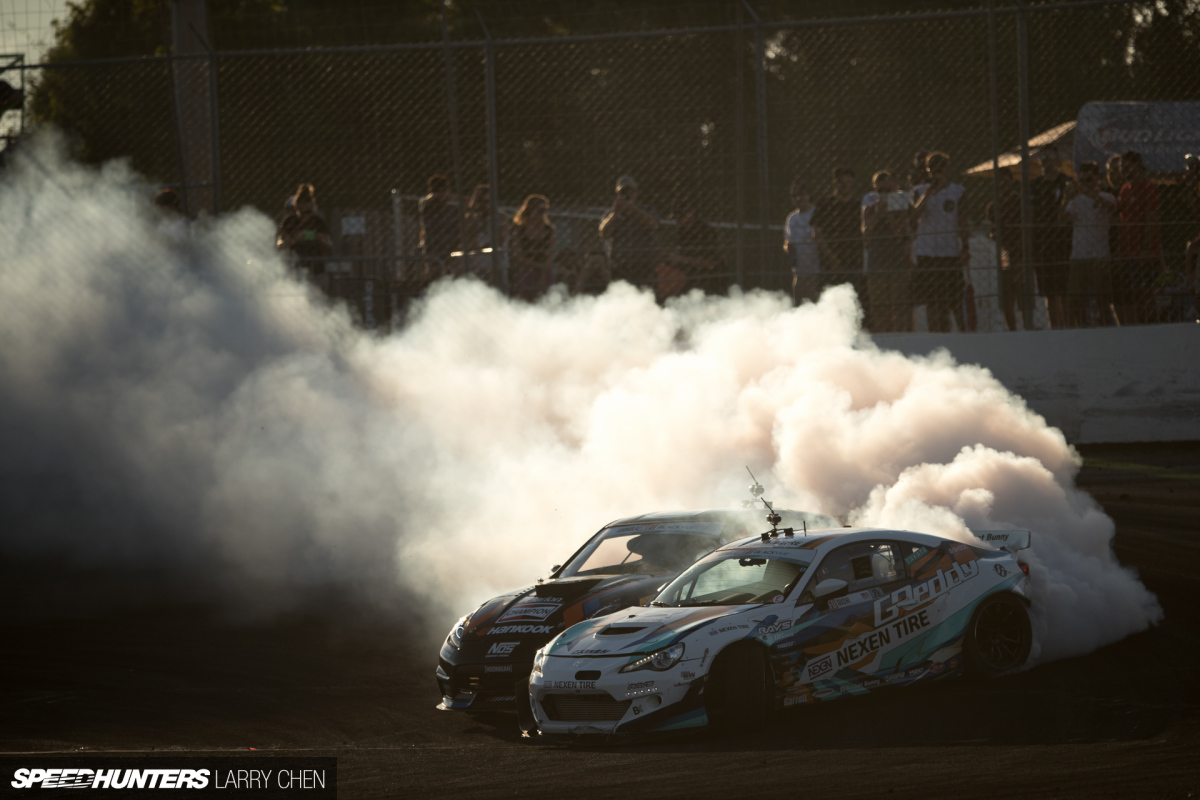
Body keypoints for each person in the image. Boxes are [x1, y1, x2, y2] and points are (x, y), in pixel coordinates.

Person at [911, 152, 969, 332]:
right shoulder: (919, 191)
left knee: (955, 300)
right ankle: (936, 336)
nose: (937, 173)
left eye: (940, 168)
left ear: (946, 169)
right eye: (933, 169)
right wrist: (927, 195)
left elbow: (963, 222)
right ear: (928, 171)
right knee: (932, 302)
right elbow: (913, 218)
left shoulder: (958, 191)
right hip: (927, 253)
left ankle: (963, 334)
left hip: (950, 253)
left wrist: (965, 247)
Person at [1061, 161, 1117, 327]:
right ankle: (1078, 329)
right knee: (1074, 300)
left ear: (1097, 179)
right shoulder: (1076, 202)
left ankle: (1109, 328)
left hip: (1099, 256)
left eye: (1089, 179)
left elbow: (1112, 211)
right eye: (1083, 180)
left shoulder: (1107, 197)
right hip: (1079, 256)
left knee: (1102, 299)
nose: (1086, 183)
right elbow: (1062, 221)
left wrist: (1089, 193)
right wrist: (1066, 198)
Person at [1115, 150, 1162, 325]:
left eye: (1128, 166)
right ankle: (1135, 326)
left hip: (1143, 253)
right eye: (1122, 167)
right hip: (1128, 252)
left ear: (1137, 166)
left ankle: (1149, 324)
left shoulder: (1147, 187)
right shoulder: (1124, 190)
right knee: (1129, 294)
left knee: (1145, 293)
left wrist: (1146, 248)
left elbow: (1151, 219)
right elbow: (1123, 220)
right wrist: (1120, 249)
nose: (1125, 170)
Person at [861, 171, 912, 332]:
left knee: (899, 305)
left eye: (887, 189)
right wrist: (877, 214)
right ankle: (884, 339)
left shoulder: (901, 206)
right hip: (876, 262)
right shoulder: (869, 208)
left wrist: (888, 213)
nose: (884, 193)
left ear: (892, 188)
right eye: (880, 189)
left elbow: (900, 231)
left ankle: (901, 339)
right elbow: (865, 232)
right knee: (879, 306)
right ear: (875, 190)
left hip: (897, 261)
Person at [985, 168, 1032, 331]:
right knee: (1007, 292)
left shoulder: (1020, 201)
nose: (1002, 184)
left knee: (1023, 292)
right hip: (1004, 251)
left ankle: (1028, 326)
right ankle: (1012, 329)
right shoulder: (993, 206)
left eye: (1005, 180)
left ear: (1011, 181)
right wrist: (994, 232)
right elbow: (992, 231)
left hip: (1020, 251)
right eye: (999, 181)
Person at [1030, 152, 1072, 328]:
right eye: (1043, 158)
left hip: (1064, 241)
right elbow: (1031, 214)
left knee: (1065, 289)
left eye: (1050, 157)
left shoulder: (1066, 181)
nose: (1046, 161)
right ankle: (1055, 328)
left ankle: (1070, 326)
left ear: (1057, 159)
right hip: (1042, 243)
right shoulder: (1035, 184)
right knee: (1049, 291)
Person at [656, 201, 726, 300]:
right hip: (692, 277)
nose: (677, 219)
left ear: (691, 213)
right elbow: (683, 257)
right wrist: (668, 256)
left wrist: (680, 259)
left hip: (711, 279)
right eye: (676, 216)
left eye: (681, 216)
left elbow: (710, 263)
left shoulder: (705, 231)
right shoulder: (683, 231)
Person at [598, 175, 659, 285]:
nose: (627, 195)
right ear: (618, 194)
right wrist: (615, 214)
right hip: (620, 266)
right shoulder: (611, 213)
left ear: (636, 192)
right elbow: (603, 233)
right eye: (623, 192)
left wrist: (631, 208)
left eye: (630, 191)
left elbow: (653, 225)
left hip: (644, 265)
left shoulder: (647, 209)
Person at [811, 167, 864, 293]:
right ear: (834, 184)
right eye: (841, 182)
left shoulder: (859, 205)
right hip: (830, 264)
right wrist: (831, 257)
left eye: (849, 182)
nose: (845, 186)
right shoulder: (825, 204)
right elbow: (817, 233)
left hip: (854, 261)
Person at [275, 183, 333, 273]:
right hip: (295, 267)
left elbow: (329, 245)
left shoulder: (318, 222)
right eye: (302, 203)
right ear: (297, 205)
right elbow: (280, 244)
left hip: (316, 268)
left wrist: (316, 237)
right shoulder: (289, 222)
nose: (305, 207)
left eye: (308, 203)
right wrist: (292, 240)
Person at [509, 194, 557, 301]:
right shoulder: (519, 230)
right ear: (530, 209)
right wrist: (539, 267)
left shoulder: (549, 230)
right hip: (528, 269)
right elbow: (519, 257)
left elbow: (550, 255)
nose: (543, 212)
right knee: (527, 294)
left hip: (546, 269)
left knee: (549, 297)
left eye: (545, 209)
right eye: (540, 209)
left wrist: (543, 274)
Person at [784, 180, 821, 304]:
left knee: (814, 304)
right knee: (798, 305)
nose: (798, 198)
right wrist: (787, 247)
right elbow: (787, 241)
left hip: (815, 270)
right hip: (799, 272)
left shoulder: (816, 213)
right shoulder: (792, 218)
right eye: (795, 196)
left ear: (809, 195)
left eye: (801, 194)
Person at [464, 183, 508, 285]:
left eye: (487, 202)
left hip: (497, 263)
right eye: (481, 201)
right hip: (479, 264)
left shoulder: (501, 216)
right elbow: (466, 224)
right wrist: (474, 200)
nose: (484, 205)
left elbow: (500, 241)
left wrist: (480, 249)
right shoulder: (475, 217)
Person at [419, 174, 460, 275]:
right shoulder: (426, 201)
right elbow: (436, 198)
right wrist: (444, 195)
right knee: (433, 270)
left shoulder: (451, 207)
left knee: (448, 270)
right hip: (432, 241)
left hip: (449, 242)